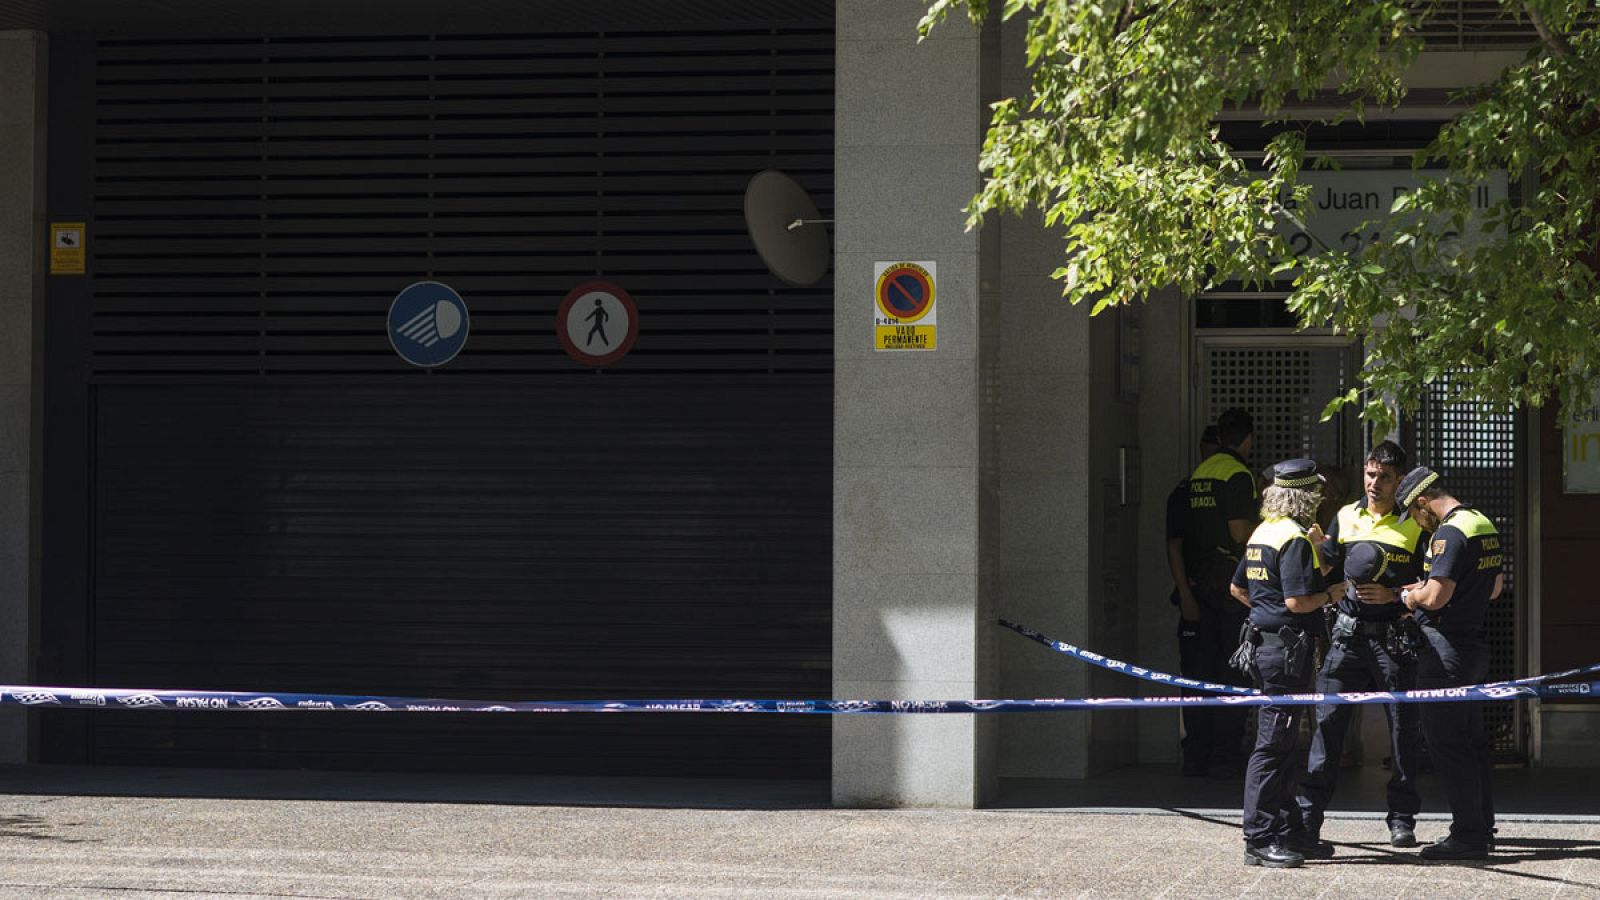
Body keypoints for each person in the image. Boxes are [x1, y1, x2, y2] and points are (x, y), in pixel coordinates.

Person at [1288, 441, 1429, 853]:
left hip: (1394, 639)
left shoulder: (1415, 523)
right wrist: (1318, 547)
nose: (1374, 483)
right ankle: (1309, 821)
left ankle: (1402, 820)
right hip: (1347, 637)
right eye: (1370, 474)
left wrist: (1394, 595)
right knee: (1327, 729)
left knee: (1403, 731)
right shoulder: (1346, 515)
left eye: (1384, 477)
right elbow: (1328, 567)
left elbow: (1432, 581)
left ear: (1399, 481)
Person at [1229, 459, 1346, 868]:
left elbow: (1237, 588)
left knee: (1281, 745)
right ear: (1304, 497)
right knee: (1273, 747)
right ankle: (1259, 839)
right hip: (1285, 654)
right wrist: (1332, 594)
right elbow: (1298, 602)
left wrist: (1266, 613)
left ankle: (1290, 831)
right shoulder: (1293, 538)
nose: (1319, 500)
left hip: (1265, 647)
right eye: (1315, 493)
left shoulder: (1263, 532)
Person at [1397, 466, 1505, 860]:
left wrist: (1411, 597)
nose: (1417, 522)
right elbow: (1494, 589)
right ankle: (1482, 827)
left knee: (1447, 743)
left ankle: (1467, 836)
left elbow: (1436, 597)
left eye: (1413, 513)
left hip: (1445, 652)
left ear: (1423, 502)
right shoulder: (1482, 523)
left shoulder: (1449, 533)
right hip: (1472, 647)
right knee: (1472, 742)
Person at [1180, 408, 1257, 776]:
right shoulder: (1238, 473)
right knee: (1234, 667)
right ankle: (1226, 754)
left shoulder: (1201, 473)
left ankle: (1200, 751)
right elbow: (1239, 532)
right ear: (1248, 439)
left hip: (1201, 579)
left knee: (1203, 667)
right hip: (1230, 580)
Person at [1166, 425, 1220, 775]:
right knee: (1196, 675)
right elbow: (1174, 546)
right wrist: (1186, 595)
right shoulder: (1184, 493)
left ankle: (1224, 752)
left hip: (1227, 601)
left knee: (1227, 675)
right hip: (1196, 597)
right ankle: (1197, 752)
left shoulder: (1234, 486)